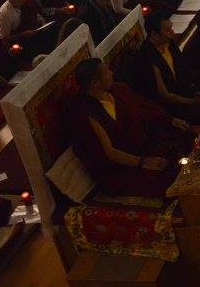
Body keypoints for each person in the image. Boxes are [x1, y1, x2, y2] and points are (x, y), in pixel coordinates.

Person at [68, 58, 193, 198]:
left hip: (143, 146)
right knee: (167, 178)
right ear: (95, 83)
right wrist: (142, 162)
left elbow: (144, 107)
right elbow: (109, 152)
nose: (111, 73)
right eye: (106, 72)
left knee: (182, 146)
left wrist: (170, 119)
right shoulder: (84, 112)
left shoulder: (119, 90)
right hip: (121, 167)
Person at [131, 13, 200, 124]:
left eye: (171, 27)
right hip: (171, 108)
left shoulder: (169, 43)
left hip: (185, 93)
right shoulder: (147, 59)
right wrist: (193, 102)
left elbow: (183, 71)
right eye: (167, 29)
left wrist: (196, 92)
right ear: (154, 34)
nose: (173, 32)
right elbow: (165, 96)